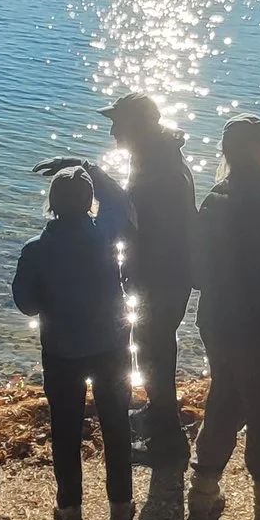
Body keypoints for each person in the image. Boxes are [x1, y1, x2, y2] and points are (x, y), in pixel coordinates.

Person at [189, 115, 260, 520]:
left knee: (224, 401)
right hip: (258, 331)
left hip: (216, 324)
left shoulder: (215, 199)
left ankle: (202, 493)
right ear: (253, 150)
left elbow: (196, 273)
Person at [11, 167, 134, 520]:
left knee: (64, 430)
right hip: (111, 347)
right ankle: (121, 505)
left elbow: (26, 305)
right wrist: (89, 167)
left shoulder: (36, 249)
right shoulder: (107, 234)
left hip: (62, 352)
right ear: (89, 202)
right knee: (116, 424)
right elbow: (119, 200)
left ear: (51, 204)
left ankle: (70, 509)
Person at [101, 94, 198, 464]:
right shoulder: (156, 154)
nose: (113, 131)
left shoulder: (158, 166)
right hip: (167, 270)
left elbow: (139, 215)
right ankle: (158, 413)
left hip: (163, 273)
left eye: (118, 123)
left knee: (153, 347)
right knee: (154, 344)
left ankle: (167, 439)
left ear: (137, 125)